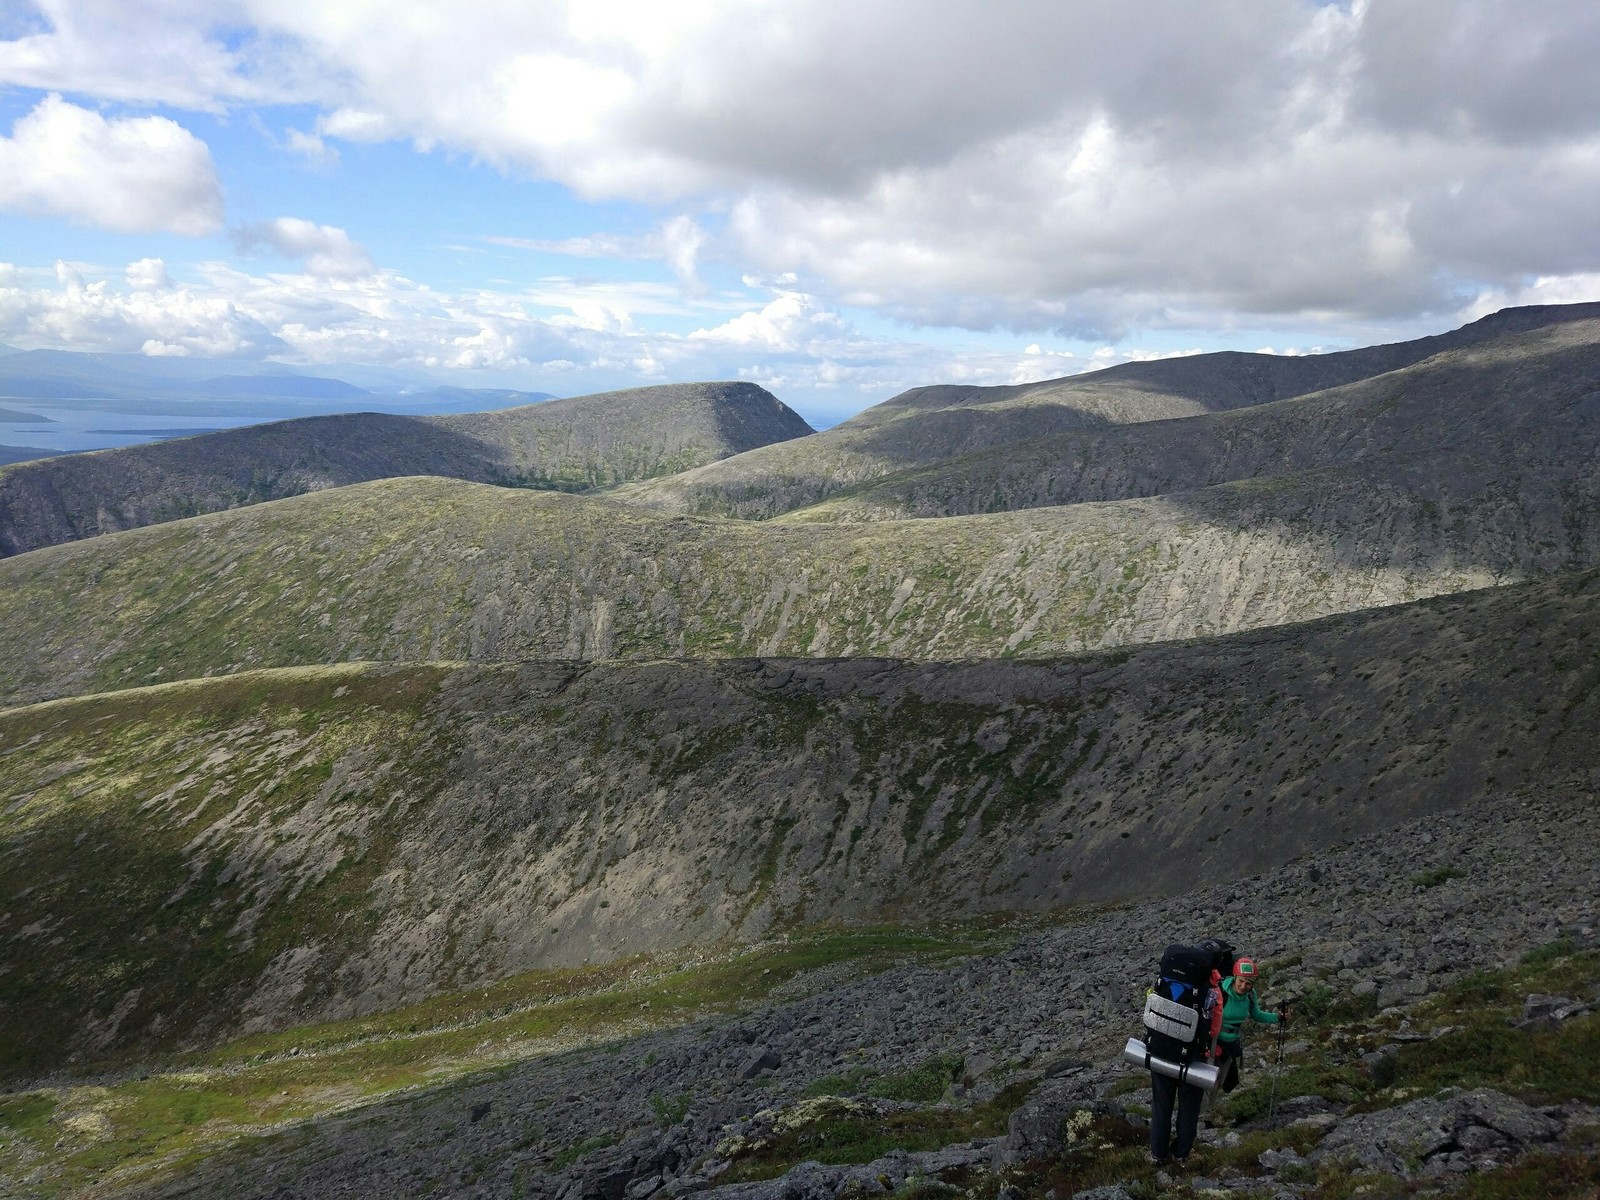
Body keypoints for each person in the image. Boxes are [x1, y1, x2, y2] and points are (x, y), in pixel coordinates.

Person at [1148, 957, 1223, 1164]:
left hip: (1161, 1050)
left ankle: (1158, 1154)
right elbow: (1214, 1028)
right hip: (1192, 1057)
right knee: (1189, 1108)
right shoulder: (1210, 991)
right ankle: (1182, 1153)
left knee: (1161, 1105)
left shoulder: (1167, 980)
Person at [1215, 956, 1285, 1094]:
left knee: (1224, 1082)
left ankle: (1207, 1109)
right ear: (1235, 978)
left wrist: (1277, 1017)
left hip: (1231, 1044)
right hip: (1214, 1042)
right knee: (1208, 1080)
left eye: (1248, 983)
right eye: (1240, 981)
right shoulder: (1220, 991)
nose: (1243, 986)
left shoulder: (1250, 995)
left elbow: (1257, 1015)